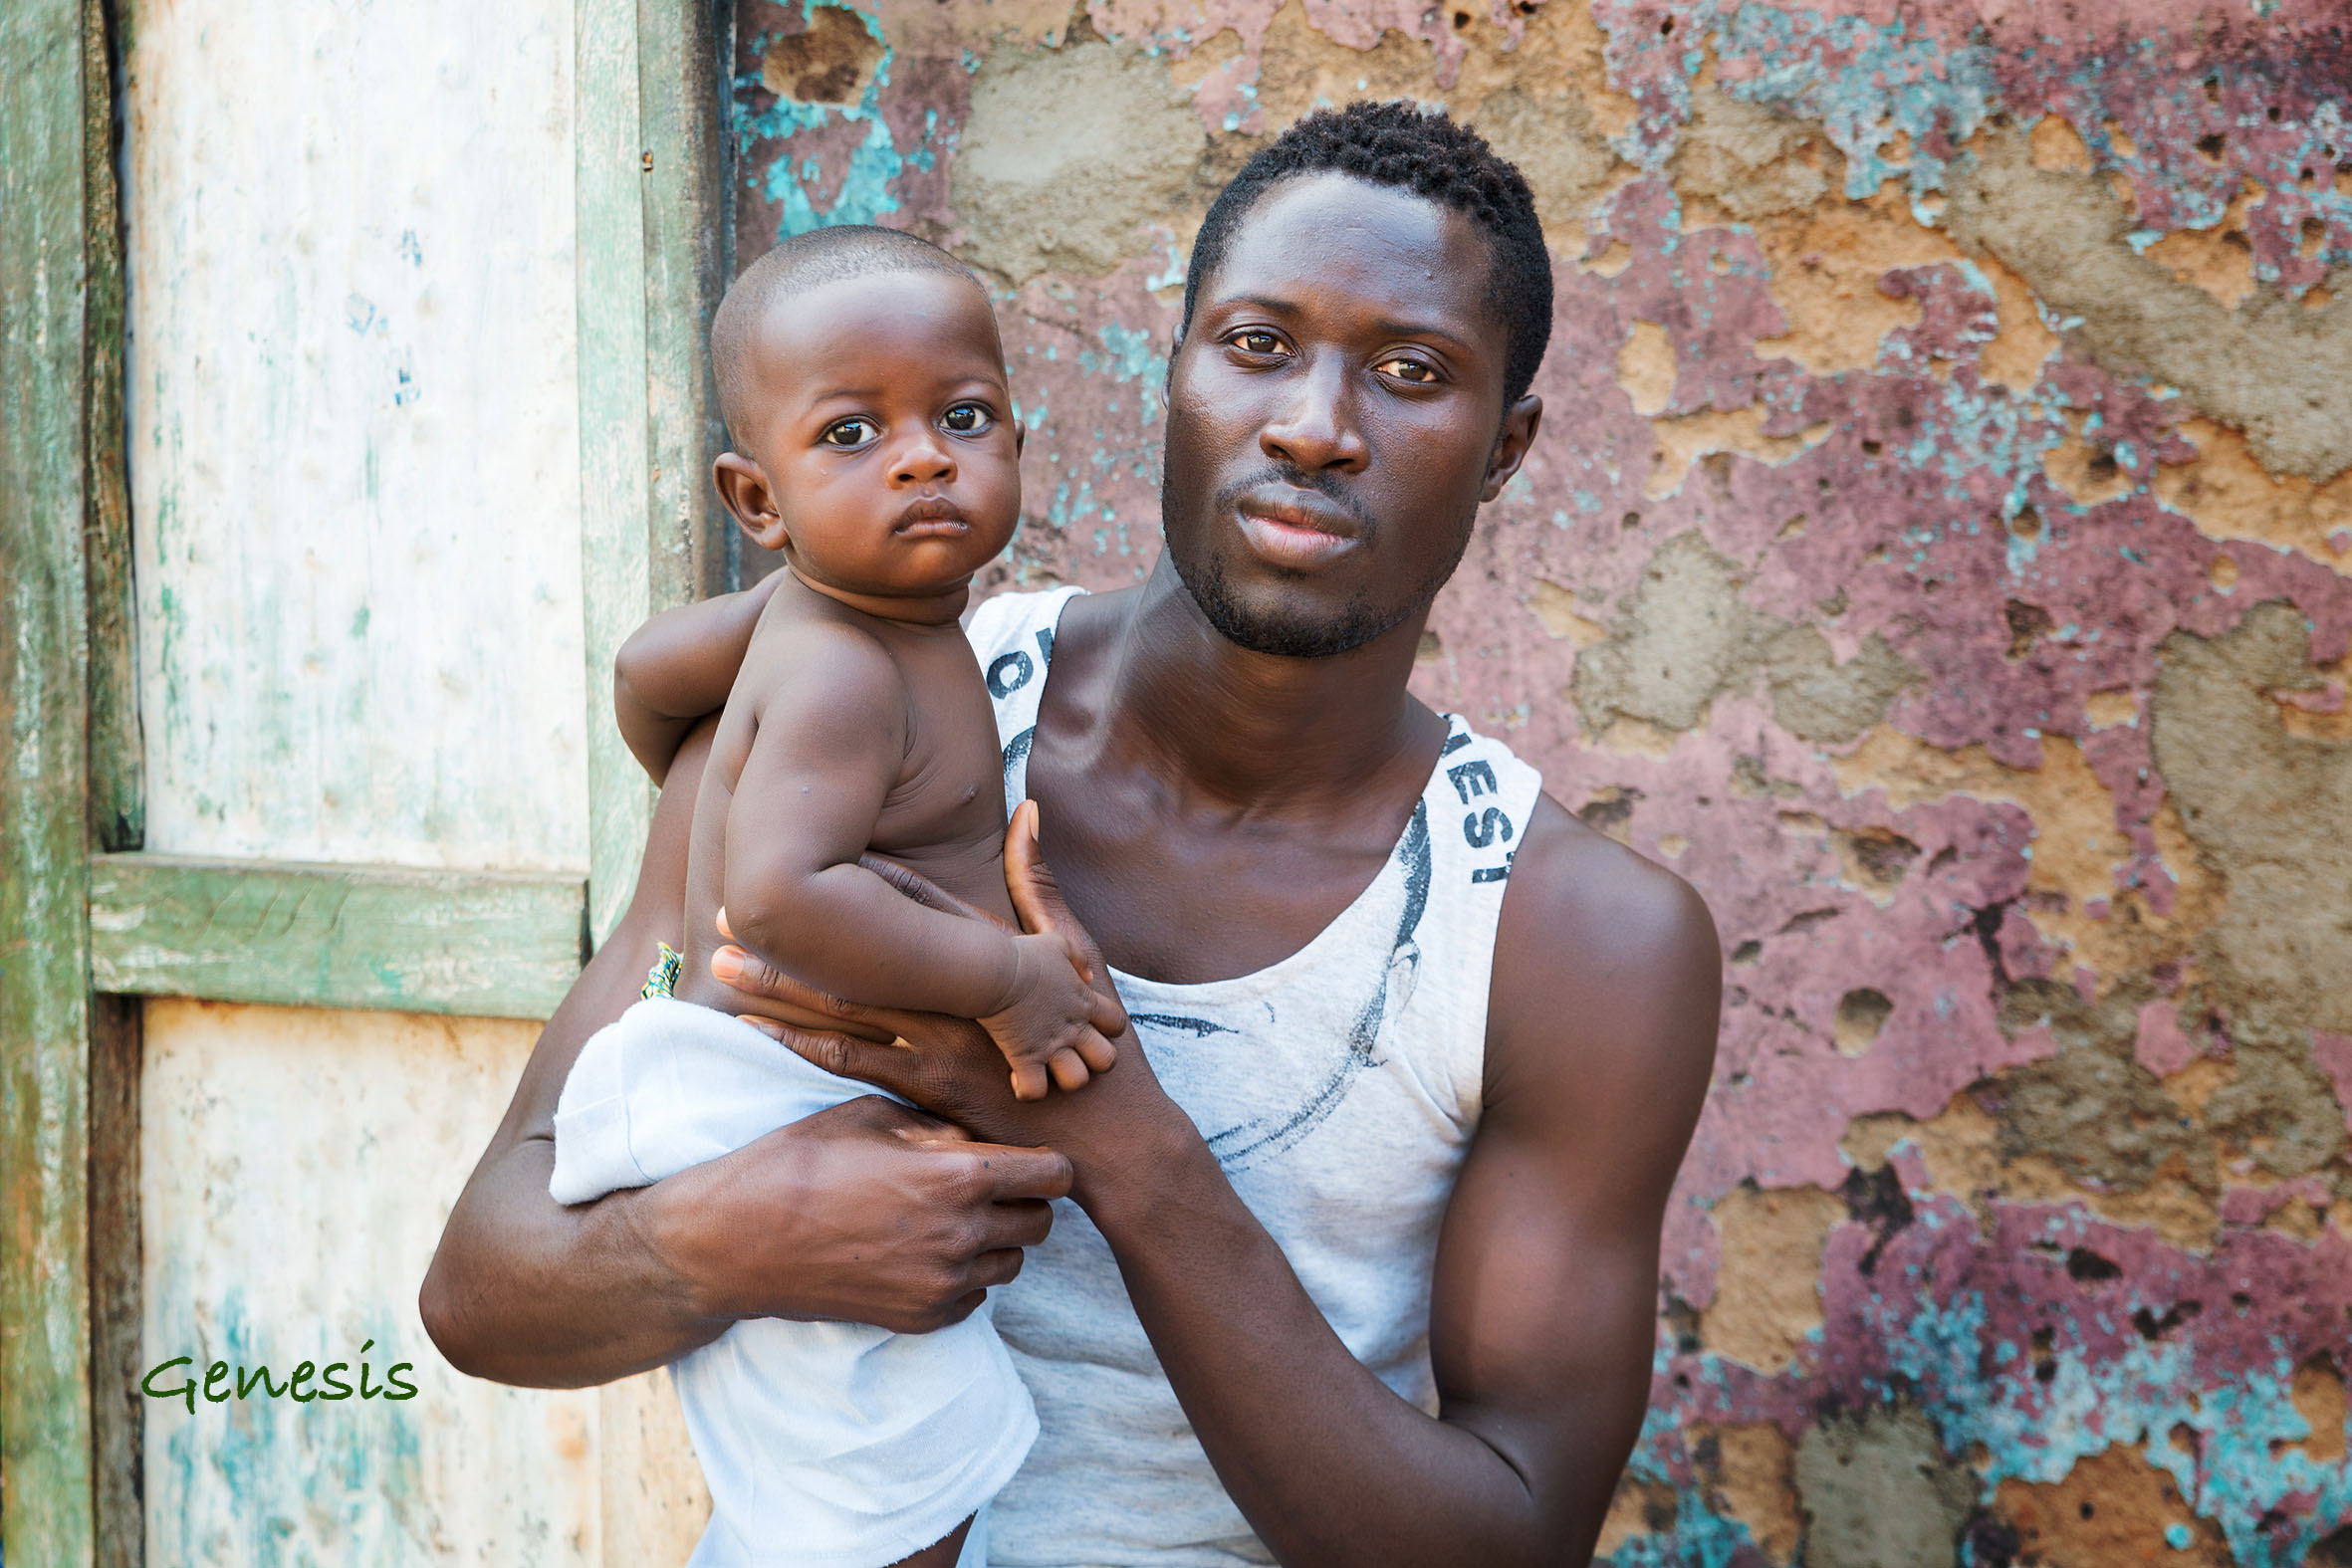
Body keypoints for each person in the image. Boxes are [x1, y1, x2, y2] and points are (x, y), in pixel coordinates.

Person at [423, 102, 1721, 1566]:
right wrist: (735, 1233)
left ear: (1505, 447)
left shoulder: (1571, 941)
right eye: (1253, 345)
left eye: (1412, 374)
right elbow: (484, 1291)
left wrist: (1114, 1134)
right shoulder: (844, 732)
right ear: (1167, 377)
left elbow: (1504, 1546)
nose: (1312, 426)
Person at [545, 224, 1131, 1567]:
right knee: (893, 1484)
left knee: (853, 1472)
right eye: (851, 435)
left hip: (727, 1091)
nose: (922, 456)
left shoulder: (804, 621)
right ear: (758, 502)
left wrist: (701, 767)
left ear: (1019, 446)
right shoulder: (846, 671)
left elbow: (641, 670)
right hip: (761, 1105)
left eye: (963, 418)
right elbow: (791, 897)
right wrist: (1012, 982)